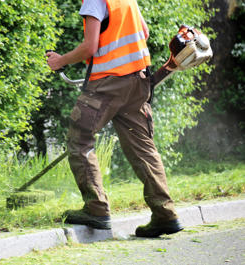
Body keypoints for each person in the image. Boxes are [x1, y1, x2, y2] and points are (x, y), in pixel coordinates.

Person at [46, 0, 183, 237]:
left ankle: (96, 209)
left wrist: (60, 60)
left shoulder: (93, 1)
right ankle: (165, 214)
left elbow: (90, 47)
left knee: (80, 140)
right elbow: (144, 32)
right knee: (143, 149)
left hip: (107, 86)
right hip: (138, 81)